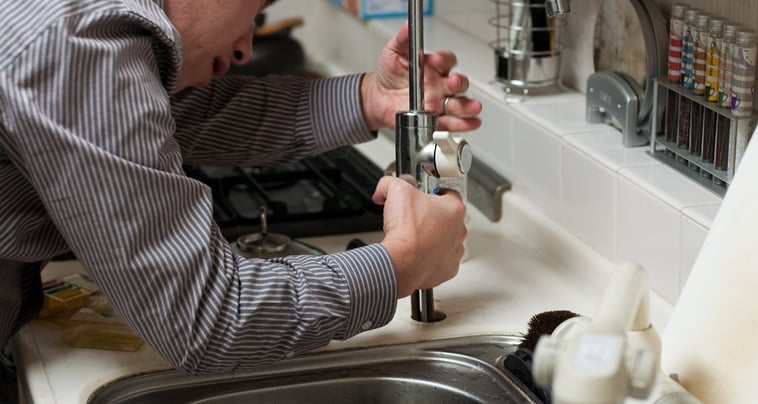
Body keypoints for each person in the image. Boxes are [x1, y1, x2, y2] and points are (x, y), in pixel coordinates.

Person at [0, 0, 483, 393]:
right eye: (255, 12)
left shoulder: (83, 25)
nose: (245, 51)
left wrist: (369, 98)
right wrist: (403, 262)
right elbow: (207, 321)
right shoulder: (80, 42)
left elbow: (182, 117)